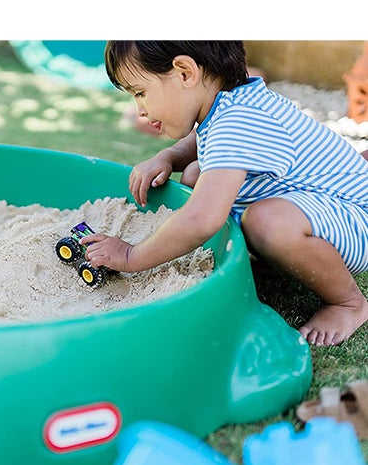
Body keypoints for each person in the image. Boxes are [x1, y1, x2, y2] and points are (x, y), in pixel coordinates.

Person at [80, 41, 368, 347]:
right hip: (317, 206)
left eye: (140, 92)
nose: (140, 108)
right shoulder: (233, 103)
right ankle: (275, 255)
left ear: (185, 72)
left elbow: (202, 218)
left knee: (266, 221)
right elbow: (202, 138)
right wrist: (169, 156)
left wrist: (130, 256)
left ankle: (348, 303)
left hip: (355, 219)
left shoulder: (238, 121)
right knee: (194, 174)